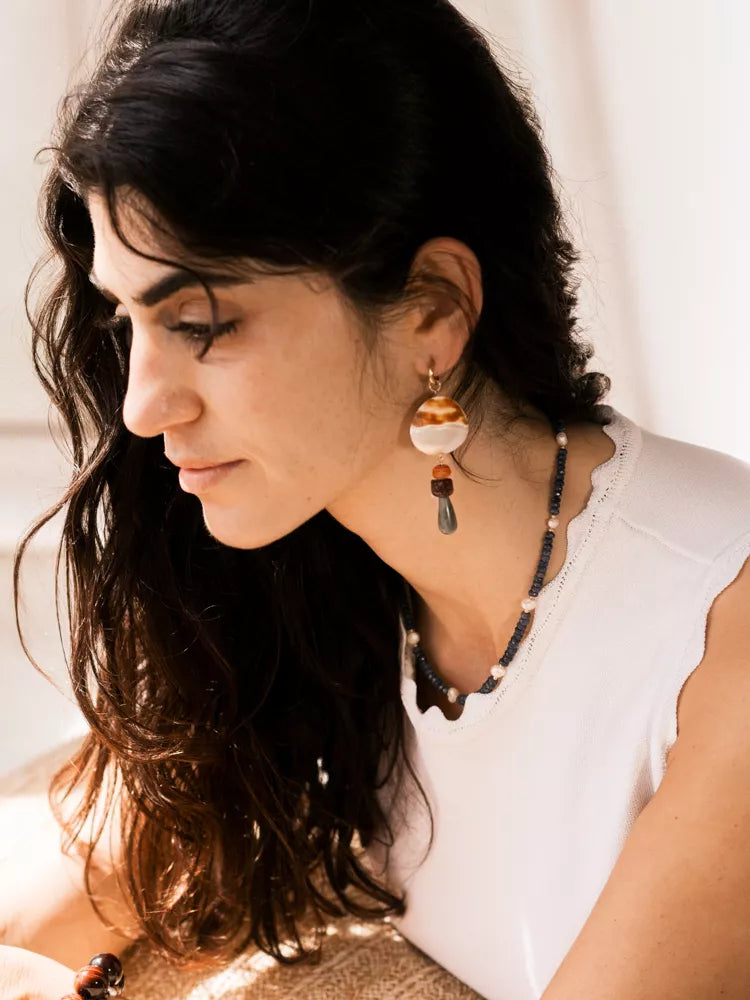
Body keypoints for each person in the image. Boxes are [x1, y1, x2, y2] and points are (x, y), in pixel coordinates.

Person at [4, 0, 750, 997]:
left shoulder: (713, 645)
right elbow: (46, 888)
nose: (140, 406)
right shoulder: (322, 582)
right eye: (124, 318)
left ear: (433, 311)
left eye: (201, 322)